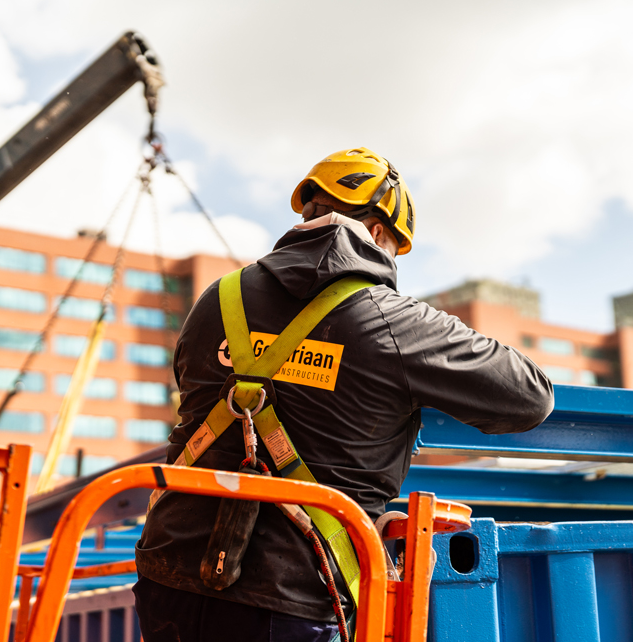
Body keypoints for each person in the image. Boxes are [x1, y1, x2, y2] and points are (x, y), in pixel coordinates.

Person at [133, 147, 554, 642]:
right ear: (378, 234)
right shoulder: (392, 322)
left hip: (167, 574)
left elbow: (194, 389)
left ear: (308, 213)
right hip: (292, 598)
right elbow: (530, 396)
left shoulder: (216, 300)